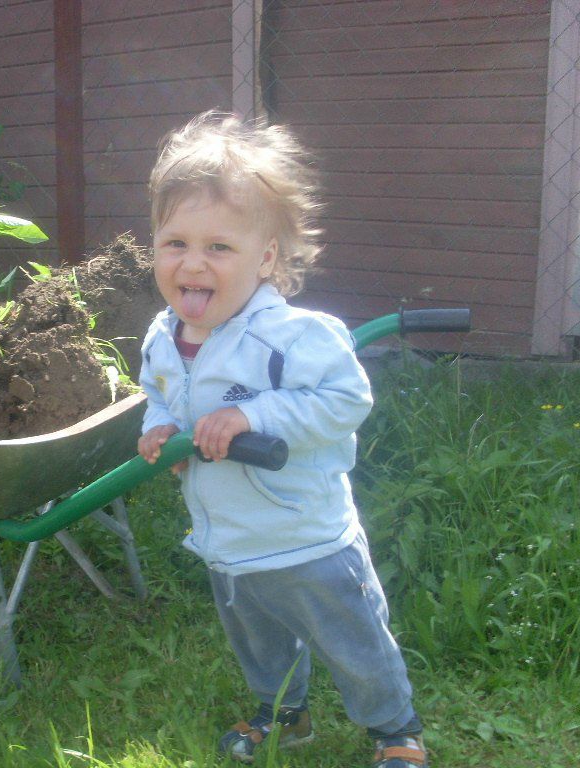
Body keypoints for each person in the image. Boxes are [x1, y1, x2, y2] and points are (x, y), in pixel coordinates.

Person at [137, 112, 427, 768]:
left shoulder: (293, 337)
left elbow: (345, 400)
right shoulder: (162, 336)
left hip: (306, 537)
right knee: (259, 641)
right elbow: (158, 391)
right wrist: (158, 425)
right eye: (175, 242)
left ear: (266, 258)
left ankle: (395, 729)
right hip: (228, 541)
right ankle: (284, 712)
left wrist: (254, 416)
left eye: (219, 247)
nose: (192, 263)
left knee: (351, 640)